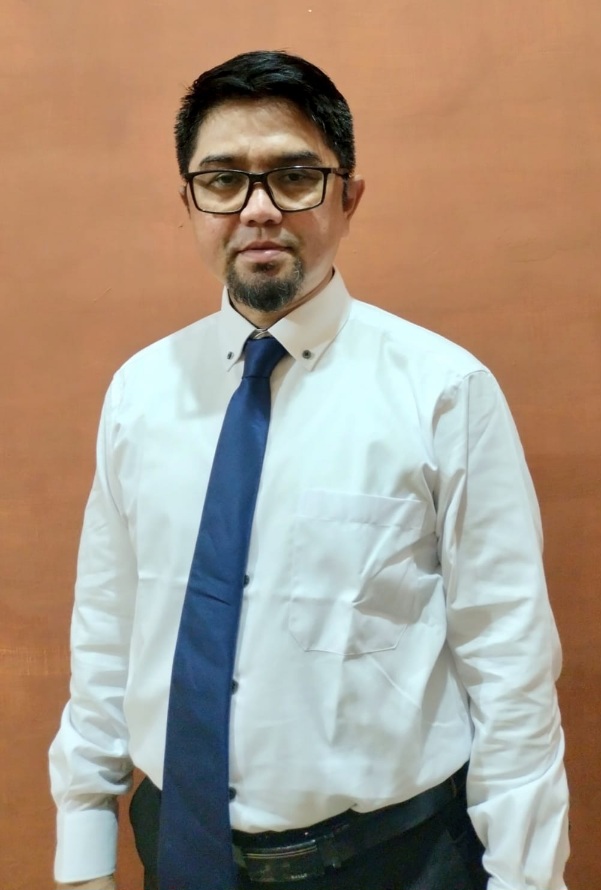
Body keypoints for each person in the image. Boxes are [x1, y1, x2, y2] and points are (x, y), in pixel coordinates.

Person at [49, 50, 570, 890]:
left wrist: (525, 877)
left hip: (393, 861)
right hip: (181, 853)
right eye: (223, 180)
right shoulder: (139, 395)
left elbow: (506, 661)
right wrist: (83, 846)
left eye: (294, 177)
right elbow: (108, 629)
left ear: (348, 197)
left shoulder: (443, 391)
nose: (258, 209)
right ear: (189, 202)